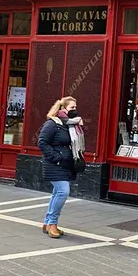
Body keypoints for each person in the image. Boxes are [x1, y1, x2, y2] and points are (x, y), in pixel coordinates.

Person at [37, 96, 85, 238]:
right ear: (63, 109)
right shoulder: (53, 123)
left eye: (75, 107)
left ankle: (47, 223)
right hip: (54, 164)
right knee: (63, 191)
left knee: (57, 193)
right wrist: (56, 157)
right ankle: (52, 224)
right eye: (72, 108)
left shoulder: (70, 124)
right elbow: (42, 142)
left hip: (66, 164)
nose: (75, 110)